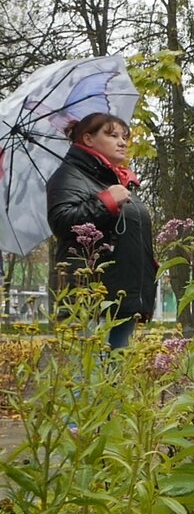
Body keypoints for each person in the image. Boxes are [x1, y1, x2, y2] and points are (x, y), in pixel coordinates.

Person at [46, 112, 155, 349]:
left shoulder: (115, 180)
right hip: (89, 295)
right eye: (112, 135)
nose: (123, 142)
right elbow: (62, 221)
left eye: (125, 136)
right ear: (88, 139)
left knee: (116, 377)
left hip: (122, 296)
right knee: (85, 379)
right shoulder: (69, 176)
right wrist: (106, 202)